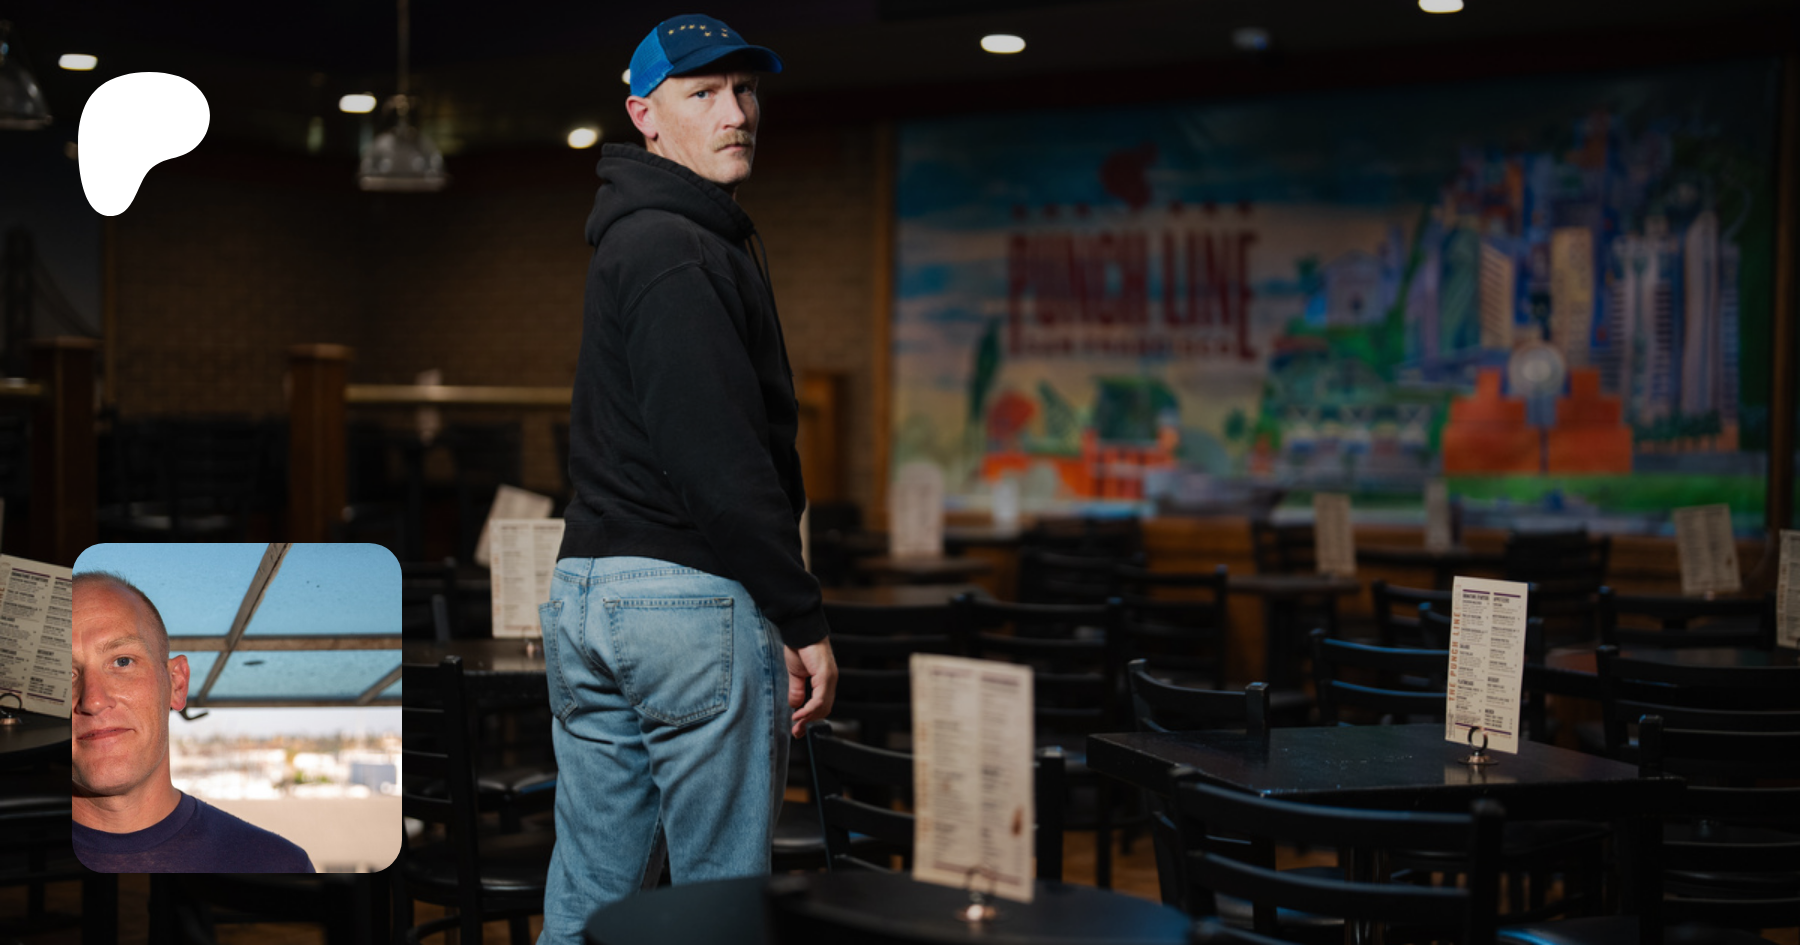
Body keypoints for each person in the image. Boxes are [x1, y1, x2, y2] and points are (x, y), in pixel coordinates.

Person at [536, 12, 837, 943]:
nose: (734, 113)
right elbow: (718, 459)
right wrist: (801, 615)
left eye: (744, 90)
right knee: (718, 908)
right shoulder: (678, 246)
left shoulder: (641, 237)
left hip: (589, 594)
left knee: (589, 902)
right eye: (702, 93)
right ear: (645, 117)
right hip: (684, 604)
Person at [69, 572, 314, 873]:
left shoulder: (278, 867)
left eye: (123, 662)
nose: (93, 700)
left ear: (177, 684)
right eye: (63, 674)